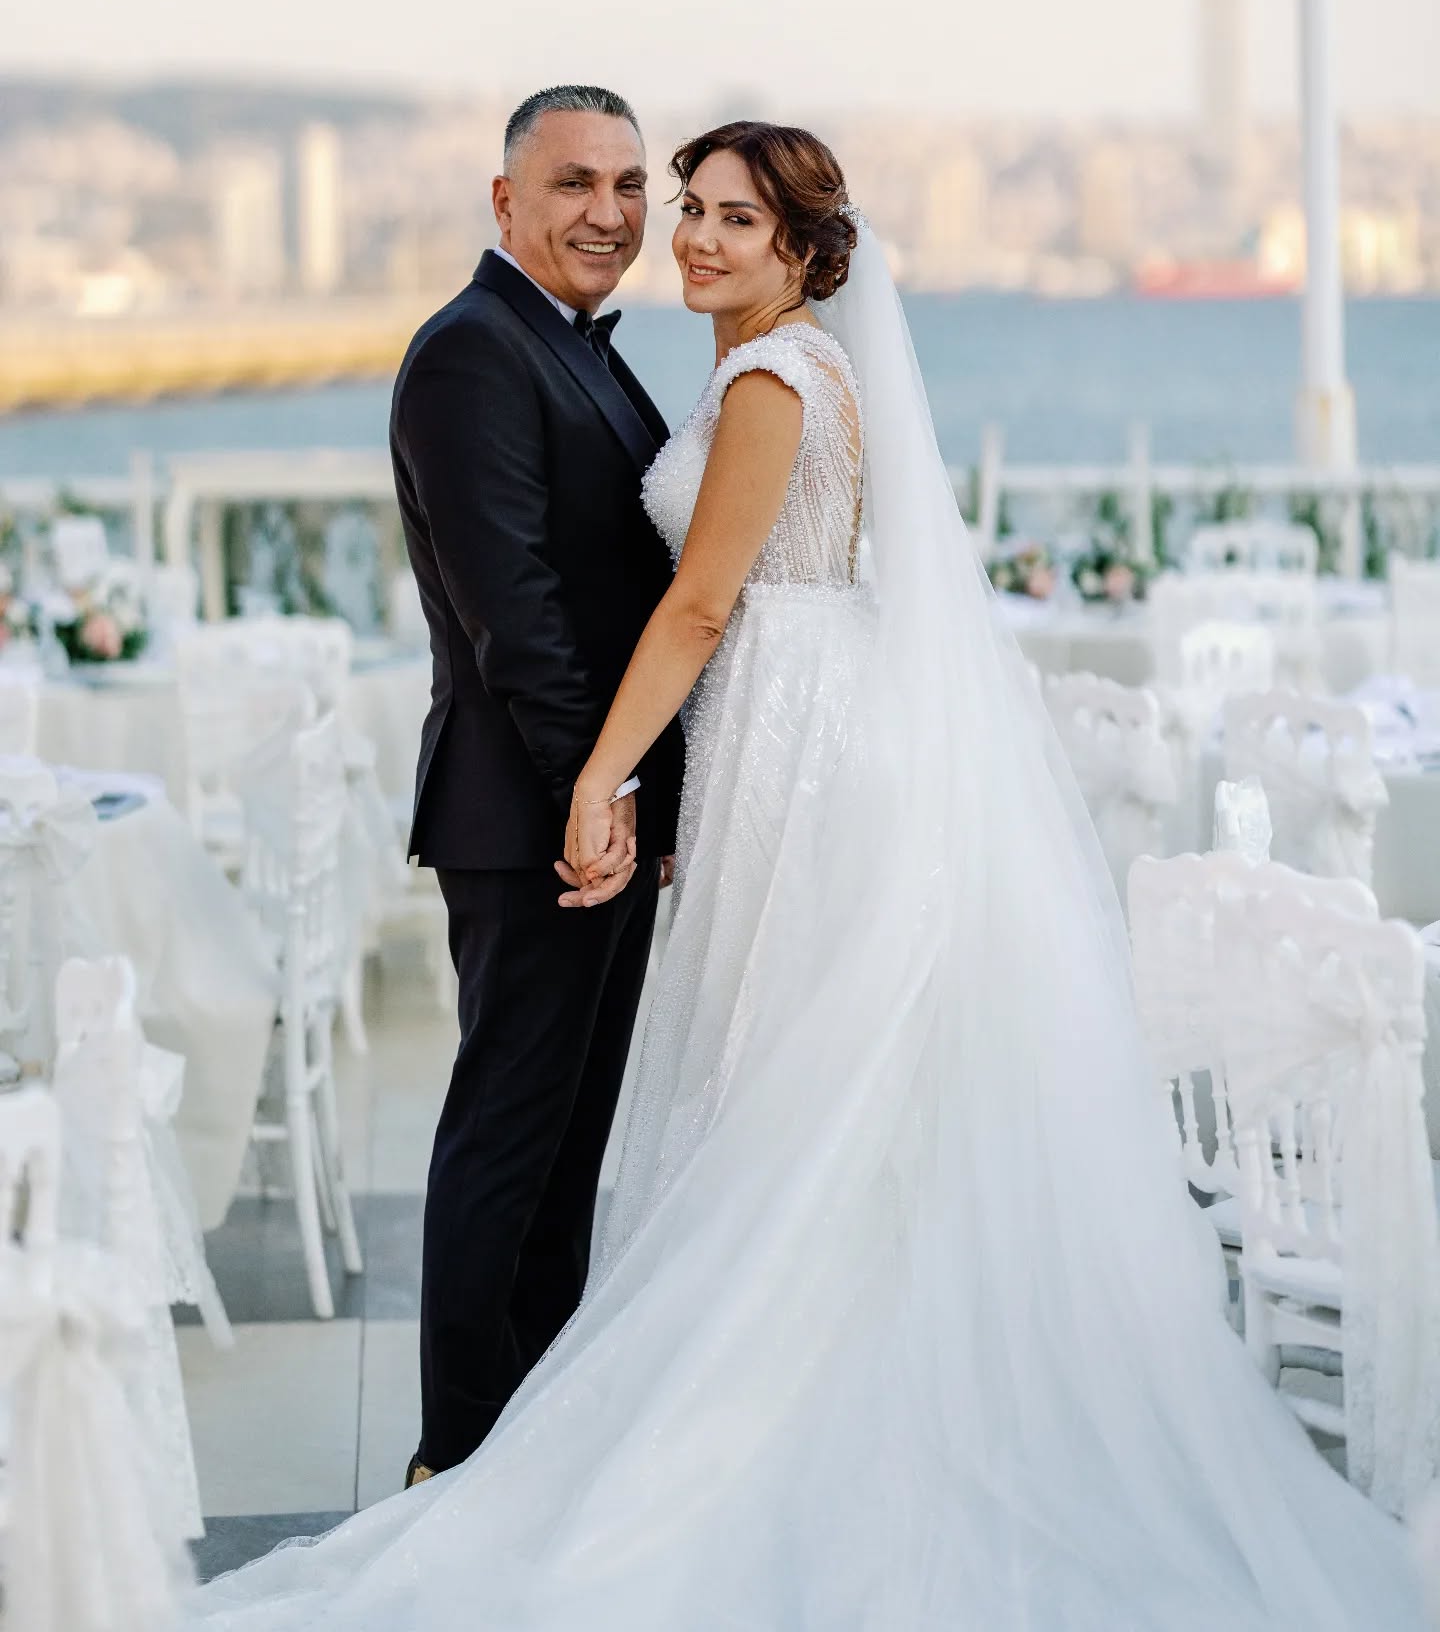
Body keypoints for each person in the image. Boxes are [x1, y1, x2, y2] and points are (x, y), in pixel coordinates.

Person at [193, 122, 1426, 1628]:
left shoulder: (773, 379)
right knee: (708, 1101)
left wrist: (603, 775)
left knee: (776, 1095)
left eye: (723, 217)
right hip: (767, 741)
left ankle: (724, 1424)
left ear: (804, 251)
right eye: (686, 209)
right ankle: (487, 1445)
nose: (688, 236)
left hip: (791, 740)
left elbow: (703, 601)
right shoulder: (707, 367)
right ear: (508, 198)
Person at [386, 84, 683, 1482]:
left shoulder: (574, 350)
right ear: (504, 202)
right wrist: (601, 795)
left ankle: (529, 1449)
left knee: (568, 1144)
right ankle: (456, 1461)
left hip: (590, 813)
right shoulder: (471, 354)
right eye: (574, 183)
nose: (608, 213)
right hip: (535, 819)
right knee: (508, 1136)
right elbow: (519, 611)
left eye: (629, 184)